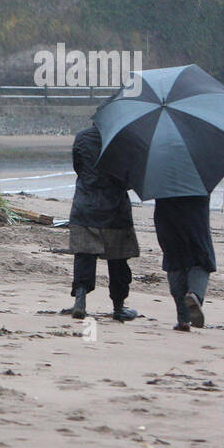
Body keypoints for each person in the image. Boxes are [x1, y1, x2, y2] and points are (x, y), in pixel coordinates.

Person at [66, 123, 139, 321]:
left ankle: (80, 300)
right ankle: (118, 307)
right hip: (115, 208)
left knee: (84, 254)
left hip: (85, 205)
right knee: (118, 260)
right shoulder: (125, 141)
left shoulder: (82, 137)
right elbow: (132, 178)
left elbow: (78, 167)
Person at [153, 196, 215, 331]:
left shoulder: (159, 178)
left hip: (167, 221)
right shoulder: (200, 178)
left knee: (174, 263)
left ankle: (183, 320)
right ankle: (195, 296)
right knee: (201, 262)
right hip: (196, 220)